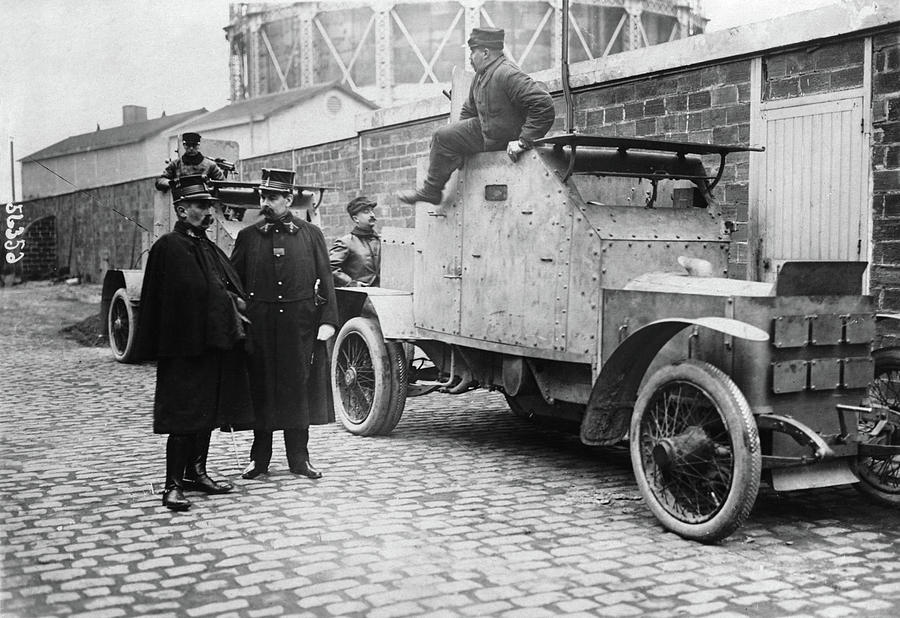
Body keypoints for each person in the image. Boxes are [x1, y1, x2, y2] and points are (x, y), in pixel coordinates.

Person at [136, 175, 254, 512]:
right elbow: (169, 301)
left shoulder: (207, 246)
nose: (208, 213)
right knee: (184, 416)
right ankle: (172, 485)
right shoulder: (169, 248)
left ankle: (196, 472)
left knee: (208, 412)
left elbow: (225, 287)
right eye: (201, 206)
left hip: (213, 344)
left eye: (210, 206)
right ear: (181, 208)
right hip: (184, 348)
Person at [230, 168, 338, 481]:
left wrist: (328, 319)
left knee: (296, 387)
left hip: (299, 324)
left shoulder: (310, 234)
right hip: (260, 325)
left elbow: (326, 277)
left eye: (273, 197)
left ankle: (299, 458)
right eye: (263, 196)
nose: (266, 202)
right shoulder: (247, 237)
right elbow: (233, 282)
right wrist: (239, 316)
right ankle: (259, 459)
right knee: (261, 388)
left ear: (289, 198)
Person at [398, 27, 555, 205]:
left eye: (473, 52)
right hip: (488, 135)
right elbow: (468, 111)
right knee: (443, 139)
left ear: (486, 52)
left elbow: (543, 105)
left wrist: (523, 141)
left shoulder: (507, 73)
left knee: (441, 136)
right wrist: (456, 139)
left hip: (503, 139)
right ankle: (433, 185)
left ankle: (431, 192)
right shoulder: (481, 76)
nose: (470, 58)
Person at [329, 196, 381, 288]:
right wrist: (351, 283)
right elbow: (329, 267)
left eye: (372, 211)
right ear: (356, 219)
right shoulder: (346, 242)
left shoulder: (381, 241)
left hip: (382, 296)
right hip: (357, 298)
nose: (372, 215)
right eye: (366, 212)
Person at [155, 132, 225, 192]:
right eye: (188, 145)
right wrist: (171, 183)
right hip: (182, 200)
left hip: (205, 201)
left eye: (194, 145)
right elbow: (160, 181)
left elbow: (222, 183)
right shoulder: (176, 164)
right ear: (184, 145)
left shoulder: (210, 165)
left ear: (198, 145)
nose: (191, 148)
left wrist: (211, 187)